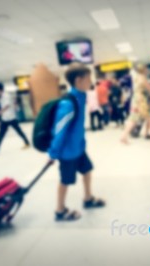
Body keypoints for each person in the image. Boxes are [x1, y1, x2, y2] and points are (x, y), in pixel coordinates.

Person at [48, 63, 105, 221]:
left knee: (87, 171)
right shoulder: (68, 103)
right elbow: (59, 130)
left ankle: (87, 198)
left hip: (78, 148)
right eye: (89, 78)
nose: (91, 81)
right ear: (79, 80)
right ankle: (59, 210)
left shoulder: (81, 96)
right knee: (66, 181)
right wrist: (53, 153)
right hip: (67, 152)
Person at [120, 64, 150, 144]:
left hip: (136, 99)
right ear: (143, 69)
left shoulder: (136, 77)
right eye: (146, 68)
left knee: (133, 119)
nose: (147, 70)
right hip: (141, 101)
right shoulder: (142, 77)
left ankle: (123, 137)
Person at [0, 82, 30, 155]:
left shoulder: (6, 95)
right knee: (1, 135)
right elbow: (0, 104)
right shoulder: (1, 96)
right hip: (5, 118)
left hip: (11, 118)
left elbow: (5, 107)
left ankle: (27, 143)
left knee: (19, 131)